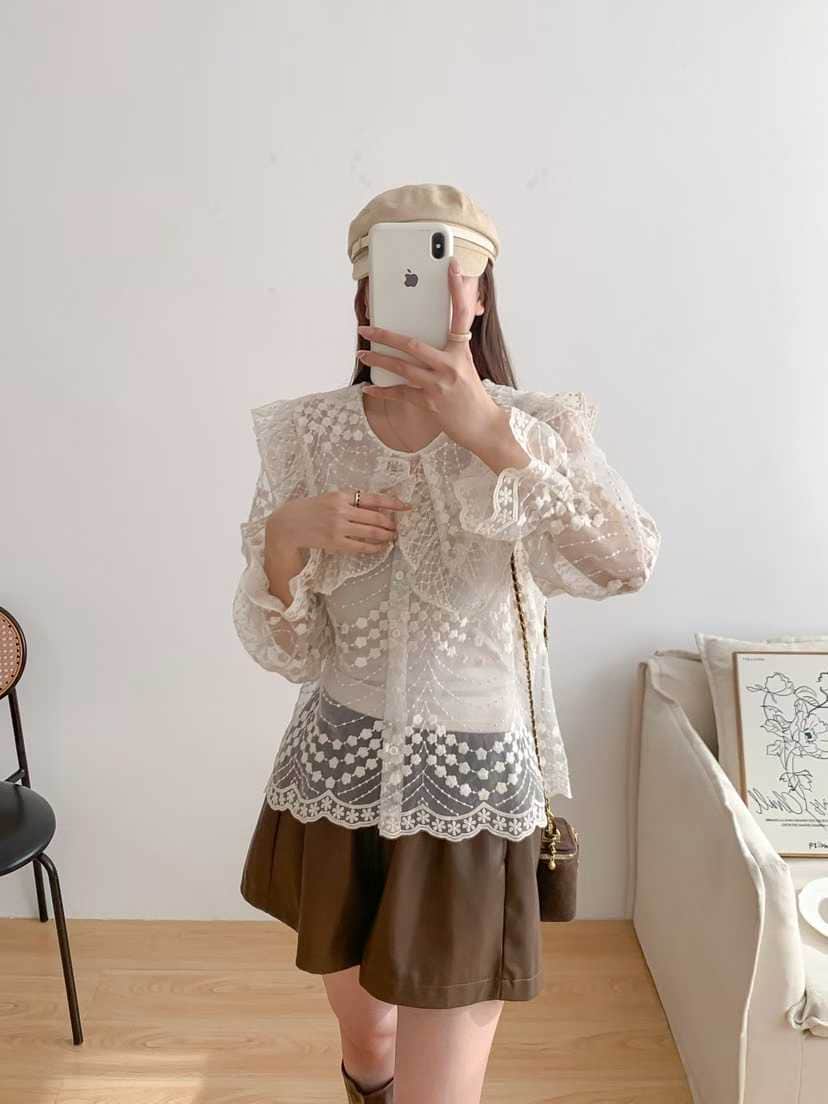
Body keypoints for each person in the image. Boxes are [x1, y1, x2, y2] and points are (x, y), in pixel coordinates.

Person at [233, 183, 661, 1104]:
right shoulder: (306, 434)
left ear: (481, 293)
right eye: (405, 274)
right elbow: (292, 648)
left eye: (455, 273)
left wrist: (495, 437)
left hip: (472, 795)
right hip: (337, 779)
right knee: (368, 1041)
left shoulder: (537, 427)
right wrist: (284, 540)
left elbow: (625, 562)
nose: (437, 293)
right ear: (364, 292)